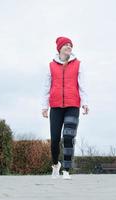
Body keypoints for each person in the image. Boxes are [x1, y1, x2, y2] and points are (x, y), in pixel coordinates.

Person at [41, 36, 89, 180]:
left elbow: (83, 85)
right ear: (60, 48)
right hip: (55, 106)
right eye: (66, 45)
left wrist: (85, 103)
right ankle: (56, 165)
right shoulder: (50, 66)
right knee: (55, 139)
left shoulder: (78, 65)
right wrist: (44, 106)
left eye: (70, 45)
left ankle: (66, 170)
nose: (69, 47)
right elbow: (45, 88)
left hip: (72, 105)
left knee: (68, 137)